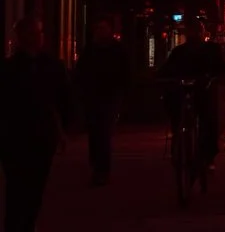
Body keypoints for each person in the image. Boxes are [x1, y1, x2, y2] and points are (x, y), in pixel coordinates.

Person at [0, 16, 72, 231]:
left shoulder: (50, 66)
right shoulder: (10, 69)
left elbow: (64, 100)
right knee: (18, 187)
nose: (38, 37)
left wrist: (62, 129)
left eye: (40, 32)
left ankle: (24, 224)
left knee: (33, 187)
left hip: (39, 135)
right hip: (18, 135)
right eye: (34, 32)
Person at [158, 19, 225, 168]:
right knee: (182, 117)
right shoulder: (180, 51)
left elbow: (222, 70)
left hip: (203, 92)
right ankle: (181, 146)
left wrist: (217, 78)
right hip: (184, 93)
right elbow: (165, 71)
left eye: (198, 31)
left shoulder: (210, 50)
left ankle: (206, 156)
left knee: (208, 120)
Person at [74, 16, 131, 185]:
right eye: (98, 28)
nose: (100, 31)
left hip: (110, 95)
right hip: (92, 95)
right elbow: (81, 72)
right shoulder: (90, 49)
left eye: (103, 28)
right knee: (94, 130)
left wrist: (123, 93)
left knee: (104, 130)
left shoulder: (117, 50)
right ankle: (96, 162)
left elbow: (125, 72)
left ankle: (102, 168)